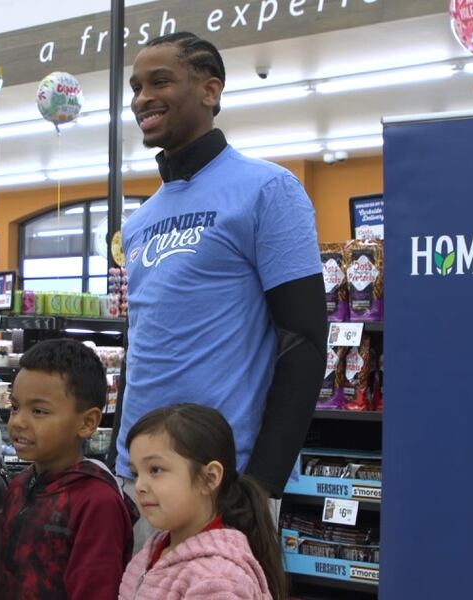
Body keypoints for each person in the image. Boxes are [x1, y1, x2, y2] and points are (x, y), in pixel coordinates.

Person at [118, 32, 328, 509]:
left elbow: (304, 339)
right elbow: (140, 343)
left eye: (159, 82)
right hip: (136, 474)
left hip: (221, 477)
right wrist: (118, 458)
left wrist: (262, 481)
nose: (142, 98)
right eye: (136, 87)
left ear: (209, 91)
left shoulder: (268, 190)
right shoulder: (139, 222)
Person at [0, 339, 137, 599]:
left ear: (87, 422)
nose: (18, 421)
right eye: (15, 407)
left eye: (39, 411)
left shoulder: (97, 503)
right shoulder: (18, 487)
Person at [121, 404, 286, 600]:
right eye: (135, 473)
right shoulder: (153, 550)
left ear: (210, 478)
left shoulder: (219, 579)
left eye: (156, 470)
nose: (139, 486)